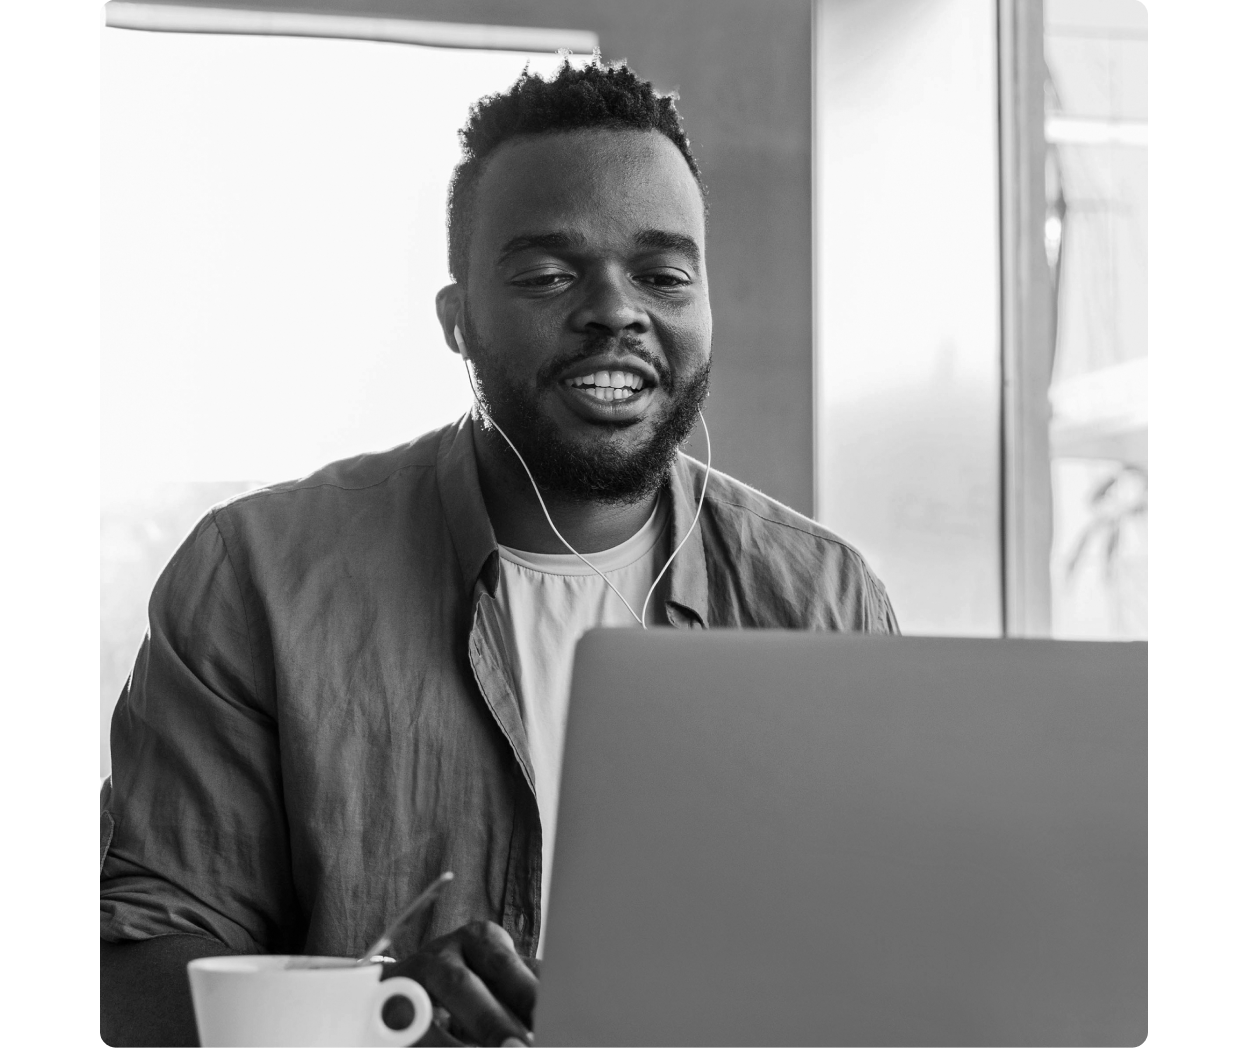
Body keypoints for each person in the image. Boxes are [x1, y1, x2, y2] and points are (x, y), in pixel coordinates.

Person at [99, 58, 898, 1048]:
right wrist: (376, 1013)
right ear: (457, 321)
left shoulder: (823, 598)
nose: (615, 309)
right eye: (548, 273)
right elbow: (138, 972)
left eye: (662, 273)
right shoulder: (253, 576)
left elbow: (877, 957)